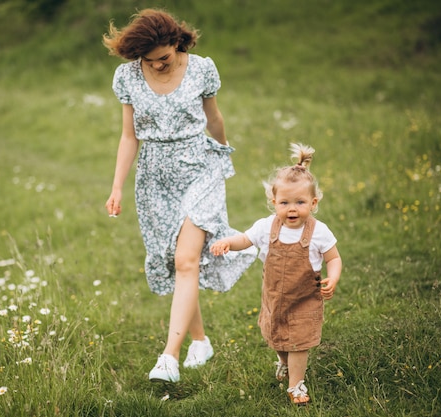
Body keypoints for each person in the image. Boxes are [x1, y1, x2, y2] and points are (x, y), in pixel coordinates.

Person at [103, 8, 257, 383]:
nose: (156, 66)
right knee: (178, 262)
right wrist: (117, 186)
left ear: (177, 42)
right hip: (154, 176)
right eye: (148, 61)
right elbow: (129, 135)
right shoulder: (127, 77)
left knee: (187, 259)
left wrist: (223, 154)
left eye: (164, 59)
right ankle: (200, 341)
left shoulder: (202, 68)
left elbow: (214, 117)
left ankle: (168, 359)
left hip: (199, 167)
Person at [210, 143, 342, 405]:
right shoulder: (266, 226)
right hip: (275, 299)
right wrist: (228, 242)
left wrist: (333, 277)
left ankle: (296, 385)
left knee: (299, 343)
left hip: (305, 300)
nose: (292, 209)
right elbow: (245, 239)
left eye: (300, 202)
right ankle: (282, 363)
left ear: (313, 203)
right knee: (279, 340)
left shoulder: (318, 231)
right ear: (274, 202)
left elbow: (334, 258)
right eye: (285, 202)